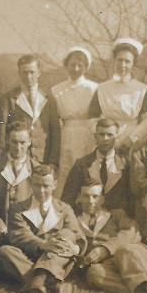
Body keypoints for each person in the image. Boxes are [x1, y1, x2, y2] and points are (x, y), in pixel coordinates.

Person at [0, 165, 84, 293]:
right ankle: (53, 284)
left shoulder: (64, 208)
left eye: (46, 186)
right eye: (37, 185)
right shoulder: (18, 209)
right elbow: (20, 235)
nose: (41, 191)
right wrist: (44, 245)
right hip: (29, 258)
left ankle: (38, 281)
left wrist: (75, 248)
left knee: (66, 233)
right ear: (31, 184)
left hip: (58, 259)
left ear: (54, 185)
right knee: (5, 251)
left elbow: (76, 235)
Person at [72, 180, 147, 293]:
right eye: (86, 196)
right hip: (103, 269)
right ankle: (143, 290)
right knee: (94, 274)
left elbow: (132, 231)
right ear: (79, 197)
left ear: (102, 199)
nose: (90, 201)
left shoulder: (116, 215)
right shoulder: (73, 221)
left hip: (122, 260)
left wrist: (106, 248)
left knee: (129, 253)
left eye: (95, 197)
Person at [88, 38, 147, 155]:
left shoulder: (142, 89)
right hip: (105, 142)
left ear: (133, 63)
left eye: (127, 61)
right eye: (119, 60)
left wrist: (132, 139)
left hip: (132, 144)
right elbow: (92, 118)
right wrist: (102, 138)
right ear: (114, 60)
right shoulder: (102, 88)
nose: (122, 65)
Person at [0, 55, 61, 167]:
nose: (28, 76)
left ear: (39, 72)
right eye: (24, 72)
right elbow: (1, 132)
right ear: (19, 73)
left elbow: (55, 132)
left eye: (32, 72)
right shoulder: (8, 99)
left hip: (42, 159)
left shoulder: (49, 100)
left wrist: (53, 161)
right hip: (16, 159)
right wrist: (3, 159)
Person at [50, 46, 98, 194]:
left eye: (80, 65)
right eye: (72, 65)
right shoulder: (57, 90)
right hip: (66, 134)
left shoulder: (94, 88)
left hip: (88, 134)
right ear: (66, 65)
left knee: (87, 171)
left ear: (86, 67)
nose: (76, 69)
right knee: (65, 170)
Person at [61, 118, 132, 216]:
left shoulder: (126, 165)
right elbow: (67, 200)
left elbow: (132, 201)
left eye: (110, 135)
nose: (105, 139)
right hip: (86, 222)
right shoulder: (81, 164)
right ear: (95, 137)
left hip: (116, 223)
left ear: (117, 137)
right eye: (101, 134)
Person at [0, 122, 40, 229]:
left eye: (22, 142)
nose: (18, 147)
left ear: (29, 142)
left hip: (29, 229)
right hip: (0, 228)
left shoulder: (37, 169)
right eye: (14, 142)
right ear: (8, 141)